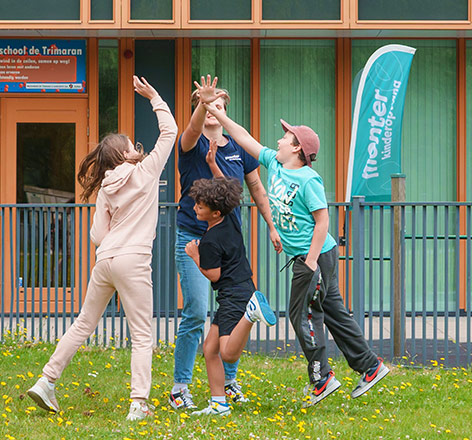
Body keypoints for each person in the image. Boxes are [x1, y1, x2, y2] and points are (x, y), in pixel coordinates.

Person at [201, 85, 399, 408]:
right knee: (332, 312)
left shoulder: (309, 180)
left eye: (284, 136)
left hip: (316, 256)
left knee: (301, 314)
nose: (278, 139)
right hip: (312, 257)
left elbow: (323, 223)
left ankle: (321, 379)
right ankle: (370, 366)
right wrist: (219, 113)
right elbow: (244, 137)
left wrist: (308, 264)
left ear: (296, 148)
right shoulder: (275, 165)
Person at [24, 75, 177, 422]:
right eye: (131, 144)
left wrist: (114, 247)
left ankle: (46, 380)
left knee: (82, 324)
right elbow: (169, 132)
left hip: (106, 260)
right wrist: (154, 96)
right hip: (134, 258)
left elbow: (96, 235)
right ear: (126, 153)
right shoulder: (147, 171)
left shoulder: (106, 188)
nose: (137, 146)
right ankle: (139, 403)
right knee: (141, 335)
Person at [168, 76, 281, 410]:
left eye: (217, 105)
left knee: (230, 310)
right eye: (206, 105)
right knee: (195, 311)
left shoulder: (237, 149)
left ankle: (227, 382)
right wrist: (201, 104)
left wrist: (272, 227)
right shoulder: (191, 145)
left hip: (229, 242)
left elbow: (257, 189)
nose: (212, 110)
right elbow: (190, 131)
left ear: (226, 111)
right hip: (194, 238)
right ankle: (181, 387)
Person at [182, 177, 276, 417]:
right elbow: (224, 184)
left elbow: (214, 275)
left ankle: (251, 314)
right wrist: (213, 164)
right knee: (210, 349)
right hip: (240, 289)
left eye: (200, 207)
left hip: (234, 296)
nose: (195, 208)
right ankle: (219, 404)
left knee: (227, 353)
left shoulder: (209, 241)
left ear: (215, 212)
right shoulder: (231, 219)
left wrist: (194, 255)